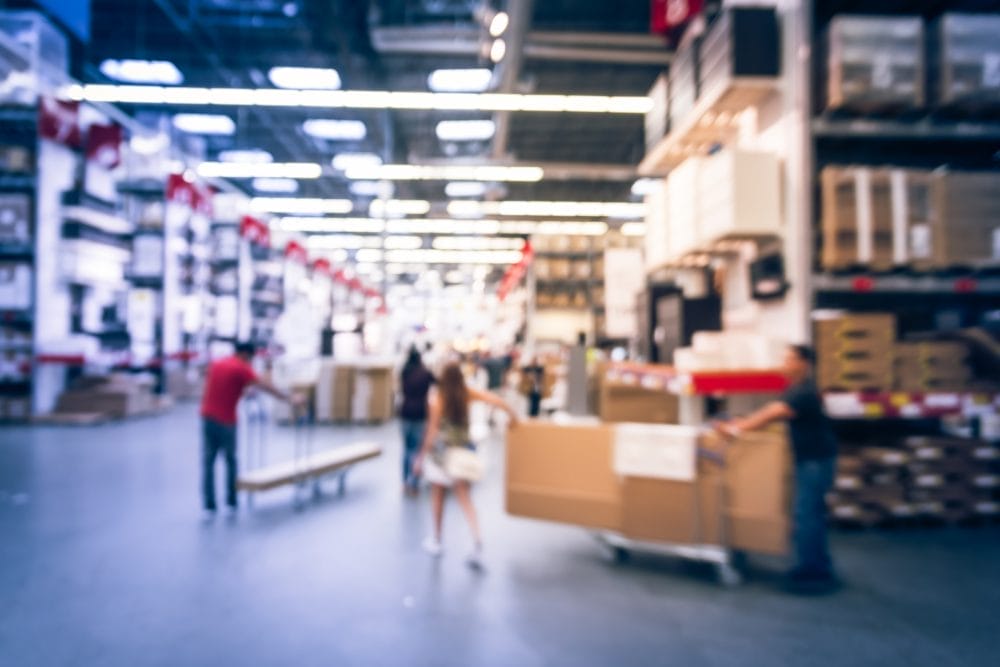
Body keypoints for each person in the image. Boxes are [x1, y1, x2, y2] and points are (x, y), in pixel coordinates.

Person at [716, 344, 839, 592]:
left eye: (791, 359)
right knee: (809, 512)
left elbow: (773, 413)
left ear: (805, 364)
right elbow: (769, 412)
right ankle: (818, 564)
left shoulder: (803, 391)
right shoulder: (796, 389)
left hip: (815, 461)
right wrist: (744, 422)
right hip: (812, 459)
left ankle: (812, 572)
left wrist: (737, 428)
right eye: (785, 358)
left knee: (806, 515)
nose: (785, 363)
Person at [413, 362, 518, 569]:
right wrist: (513, 418)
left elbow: (432, 431)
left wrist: (420, 456)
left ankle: (437, 540)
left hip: (441, 457)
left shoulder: (438, 399)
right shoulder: (467, 393)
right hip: (462, 454)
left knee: (438, 497)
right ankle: (476, 540)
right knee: (465, 499)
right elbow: (497, 401)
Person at [199, 342, 300, 521]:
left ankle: (209, 504)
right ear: (246, 354)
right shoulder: (241, 368)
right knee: (231, 461)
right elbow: (265, 386)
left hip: (207, 417)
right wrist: (289, 398)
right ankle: (231, 501)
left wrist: (241, 390)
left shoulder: (218, 364)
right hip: (226, 420)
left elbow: (222, 386)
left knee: (208, 462)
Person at [399, 346, 435, 496]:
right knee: (416, 450)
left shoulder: (404, 372)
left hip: (405, 412)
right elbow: (438, 383)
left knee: (406, 449)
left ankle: (405, 481)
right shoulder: (425, 373)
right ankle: (413, 483)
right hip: (420, 413)